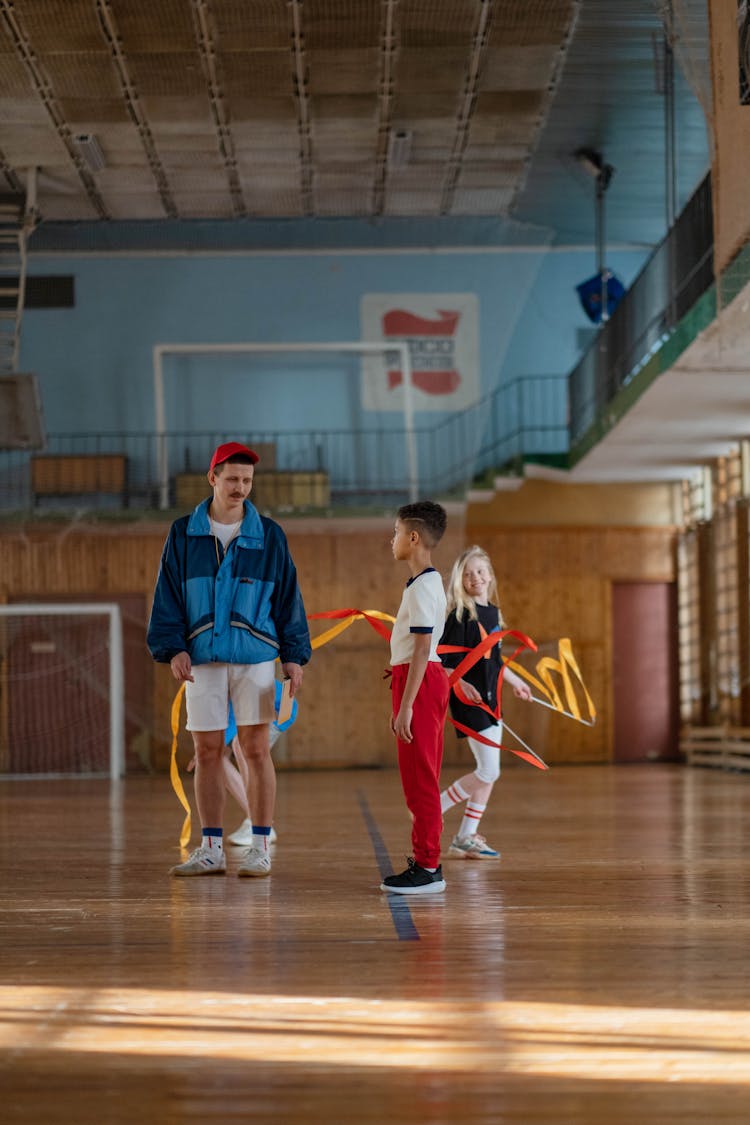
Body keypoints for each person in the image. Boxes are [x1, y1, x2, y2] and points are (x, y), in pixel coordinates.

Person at [147, 441, 311, 878]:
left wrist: (294, 657)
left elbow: (289, 599)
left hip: (255, 658)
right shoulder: (183, 533)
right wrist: (173, 647)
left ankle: (260, 847)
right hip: (201, 659)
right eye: (233, 479)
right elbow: (167, 596)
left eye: (247, 481)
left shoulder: (270, 534)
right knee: (207, 750)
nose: (240, 488)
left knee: (255, 750)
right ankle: (211, 849)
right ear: (212, 478)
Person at [439, 545, 531, 860]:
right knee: (488, 771)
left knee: (490, 772)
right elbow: (445, 664)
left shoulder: (492, 613)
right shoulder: (459, 615)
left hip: (493, 703)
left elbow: (496, 660)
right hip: (469, 701)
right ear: (459, 581)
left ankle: (465, 836)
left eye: (479, 571)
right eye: (467, 574)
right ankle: (434, 809)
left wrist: (516, 681)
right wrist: (462, 685)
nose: (474, 577)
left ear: (489, 576)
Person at [381, 500, 450, 896]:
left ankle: (427, 866)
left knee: (421, 779)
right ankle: (426, 860)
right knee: (416, 778)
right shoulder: (421, 584)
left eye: (395, 532)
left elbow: (422, 649)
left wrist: (406, 705)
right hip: (415, 679)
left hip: (419, 682)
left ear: (413, 537)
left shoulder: (425, 585)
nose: (391, 540)